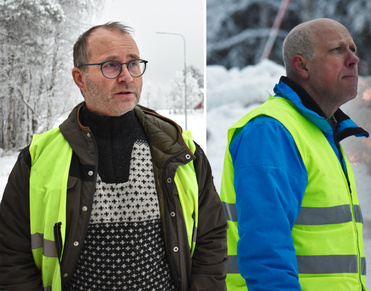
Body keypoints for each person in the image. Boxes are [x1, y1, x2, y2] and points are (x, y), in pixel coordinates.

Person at [0, 22, 228, 291]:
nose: (127, 77)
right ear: (79, 78)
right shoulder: (39, 158)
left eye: (133, 64)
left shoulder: (180, 151)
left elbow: (211, 237)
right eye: (111, 65)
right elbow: (11, 253)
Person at [221, 18, 369, 291]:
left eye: (352, 48)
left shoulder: (319, 131)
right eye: (337, 50)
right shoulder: (271, 131)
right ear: (302, 65)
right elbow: (265, 251)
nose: (354, 59)